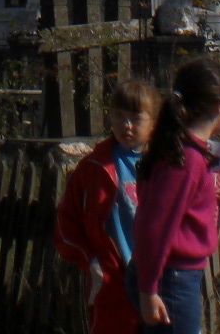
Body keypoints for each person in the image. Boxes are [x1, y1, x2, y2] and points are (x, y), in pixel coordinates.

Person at [133, 56, 220, 334]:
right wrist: (148, 289)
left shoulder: (184, 151)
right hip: (170, 280)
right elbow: (156, 225)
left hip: (172, 277)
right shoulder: (187, 158)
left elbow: (180, 211)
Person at [54, 79, 163, 334]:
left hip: (159, 280)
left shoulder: (166, 167)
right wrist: (92, 262)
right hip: (114, 280)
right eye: (119, 116)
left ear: (154, 123)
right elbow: (65, 224)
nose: (126, 125)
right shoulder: (93, 168)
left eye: (136, 118)